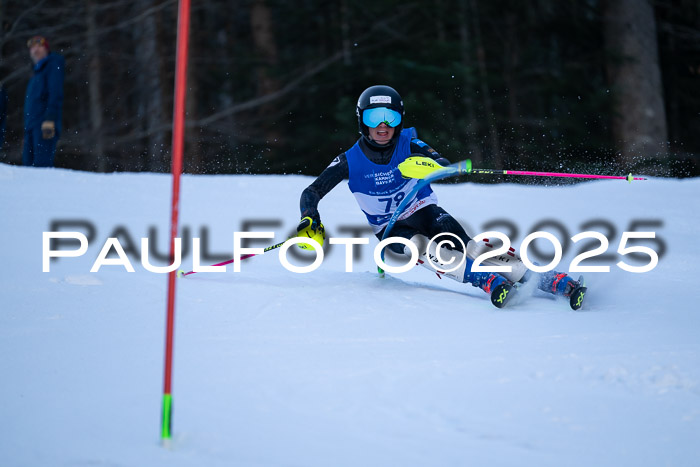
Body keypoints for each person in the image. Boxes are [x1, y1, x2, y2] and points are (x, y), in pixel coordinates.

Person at [297, 85, 585, 309]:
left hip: (423, 208)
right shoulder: (349, 160)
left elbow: (440, 161)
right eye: (374, 118)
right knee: (423, 247)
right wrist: (310, 217)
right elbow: (312, 191)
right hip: (391, 228)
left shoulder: (409, 142)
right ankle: (486, 280)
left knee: (467, 247)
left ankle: (549, 280)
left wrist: (427, 166)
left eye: (391, 117)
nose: (383, 126)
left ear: (399, 120)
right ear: (362, 121)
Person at [23, 35, 64, 167]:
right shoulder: (36, 74)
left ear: (46, 49)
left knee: (41, 167)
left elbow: (55, 93)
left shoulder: (52, 66)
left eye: (39, 46)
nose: (35, 50)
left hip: (44, 124)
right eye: (32, 48)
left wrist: (50, 119)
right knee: (27, 167)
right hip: (31, 126)